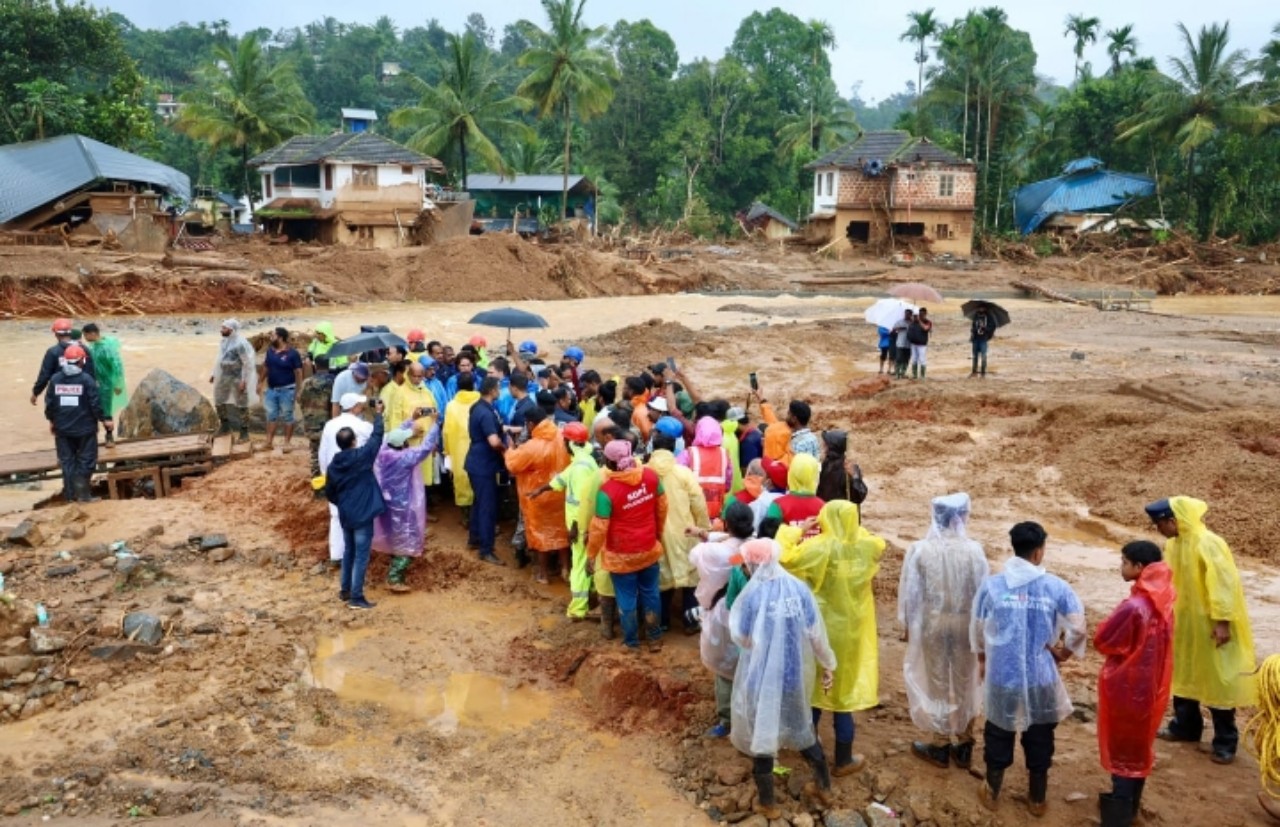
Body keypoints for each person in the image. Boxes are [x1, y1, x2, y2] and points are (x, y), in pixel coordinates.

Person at [971, 521, 1086, 817]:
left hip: (1002, 675)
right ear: (1038, 552)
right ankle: (1037, 798)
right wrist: (1064, 654)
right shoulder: (1056, 587)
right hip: (1041, 676)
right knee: (1039, 734)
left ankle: (993, 790)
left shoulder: (992, 586)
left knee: (999, 730)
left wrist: (983, 659)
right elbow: (1078, 628)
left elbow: (978, 627)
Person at [729, 538, 838, 817]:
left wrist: (762, 643)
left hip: (761, 679)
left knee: (763, 733)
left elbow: (741, 636)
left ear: (752, 564)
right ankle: (824, 787)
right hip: (793, 675)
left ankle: (768, 804)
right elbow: (816, 634)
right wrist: (828, 664)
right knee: (801, 727)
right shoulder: (798, 589)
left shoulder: (752, 596)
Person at [779, 500, 886, 778]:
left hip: (821, 627)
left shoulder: (818, 548)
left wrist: (796, 531)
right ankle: (843, 758)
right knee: (843, 694)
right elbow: (879, 543)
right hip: (852, 630)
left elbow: (784, 556)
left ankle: (809, 746)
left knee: (815, 688)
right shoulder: (867, 547)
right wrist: (855, 531)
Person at [1147, 496, 1256, 764]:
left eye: (1159, 524)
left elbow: (1224, 584)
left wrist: (1222, 621)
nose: (1158, 530)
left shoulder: (1209, 543)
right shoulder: (1174, 544)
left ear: (1172, 521)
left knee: (1219, 678)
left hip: (1210, 625)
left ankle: (1225, 742)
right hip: (1184, 624)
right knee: (1184, 672)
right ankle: (1185, 727)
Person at [898, 494, 989, 770]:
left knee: (937, 682)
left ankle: (939, 743)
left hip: (933, 623)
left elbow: (911, 594)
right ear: (962, 517)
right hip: (965, 624)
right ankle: (964, 743)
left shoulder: (920, 550)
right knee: (966, 682)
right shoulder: (974, 550)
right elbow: (984, 596)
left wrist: (907, 626)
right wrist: (983, 635)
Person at [1094, 540, 1175, 827]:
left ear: (1139, 567)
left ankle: (1118, 815)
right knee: (1139, 749)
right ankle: (1132, 809)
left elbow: (1104, 641)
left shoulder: (1134, 606)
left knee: (1123, 751)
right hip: (1152, 685)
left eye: (1124, 562)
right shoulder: (1165, 601)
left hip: (1125, 686)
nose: (1121, 567)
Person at [587, 440, 667, 652]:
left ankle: (631, 642)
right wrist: (657, 534)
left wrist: (591, 554)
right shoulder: (651, 477)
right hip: (649, 548)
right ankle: (654, 637)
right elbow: (662, 508)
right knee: (651, 593)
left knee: (627, 599)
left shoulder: (607, 491)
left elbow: (598, 528)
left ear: (608, 462)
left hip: (621, 555)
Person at [689, 501, 756, 737]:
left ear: (727, 524)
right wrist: (709, 534)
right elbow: (737, 555)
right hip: (754, 616)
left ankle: (727, 721)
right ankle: (750, 717)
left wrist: (708, 536)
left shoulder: (714, 552)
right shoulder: (758, 547)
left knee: (724, 668)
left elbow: (694, 555)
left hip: (724, 616)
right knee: (750, 667)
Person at [530, 422, 601, 621]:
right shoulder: (585, 460)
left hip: (581, 527)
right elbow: (562, 480)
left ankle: (578, 609)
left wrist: (576, 528)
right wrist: (541, 489)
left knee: (579, 565)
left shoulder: (579, 467)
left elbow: (580, 501)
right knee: (589, 562)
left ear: (569, 442)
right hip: (588, 525)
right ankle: (594, 600)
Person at [325, 404, 386, 610]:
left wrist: (343, 504)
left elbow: (330, 493)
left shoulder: (334, 465)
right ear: (353, 441)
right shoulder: (362, 457)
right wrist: (378, 414)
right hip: (362, 514)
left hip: (346, 514)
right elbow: (377, 437)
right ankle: (356, 597)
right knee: (361, 555)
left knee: (349, 551)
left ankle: (345, 590)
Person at [650, 431, 711, 634]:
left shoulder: (643, 472)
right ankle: (690, 622)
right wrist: (703, 529)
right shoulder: (683, 473)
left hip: (655, 535)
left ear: (652, 447)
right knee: (691, 579)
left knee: (661, 579)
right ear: (674, 448)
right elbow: (698, 503)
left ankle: (663, 622)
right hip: (685, 531)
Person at [372, 421, 441, 593]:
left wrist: (410, 421)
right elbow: (425, 448)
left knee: (393, 536)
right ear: (402, 444)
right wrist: (436, 425)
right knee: (408, 540)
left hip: (386, 503)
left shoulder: (382, 453)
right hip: (402, 506)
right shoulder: (404, 458)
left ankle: (395, 564)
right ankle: (394, 577)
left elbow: (393, 436)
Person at [506, 407, 571, 585]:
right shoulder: (563, 436)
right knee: (561, 531)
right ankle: (565, 568)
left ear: (531, 424)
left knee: (540, 535)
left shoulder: (531, 447)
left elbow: (513, 465)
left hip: (538, 496)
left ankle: (542, 574)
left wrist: (510, 448)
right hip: (561, 492)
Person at [44, 344, 112, 503]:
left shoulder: (55, 380)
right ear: (82, 361)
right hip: (85, 429)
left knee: (67, 462)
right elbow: (95, 405)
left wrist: (52, 421)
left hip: (62, 430)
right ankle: (83, 495)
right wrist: (104, 420)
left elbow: (49, 405)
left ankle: (70, 496)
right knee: (87, 461)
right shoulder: (86, 380)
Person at [320, 394, 375, 564]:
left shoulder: (330, 425)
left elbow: (322, 452)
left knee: (336, 516)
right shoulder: (362, 426)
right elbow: (378, 442)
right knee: (359, 516)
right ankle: (357, 555)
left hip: (334, 475)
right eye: (360, 405)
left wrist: (325, 475)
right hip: (355, 477)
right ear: (355, 407)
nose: (362, 407)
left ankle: (337, 555)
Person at [465, 376, 509, 566]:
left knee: (478, 502)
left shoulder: (478, 407)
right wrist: (506, 451)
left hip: (475, 461)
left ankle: (474, 538)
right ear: (492, 390)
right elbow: (493, 441)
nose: (499, 391)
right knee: (487, 507)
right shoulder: (486, 413)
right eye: (498, 388)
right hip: (484, 464)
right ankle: (486, 549)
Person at [387, 362, 440, 485]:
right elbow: (395, 418)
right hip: (409, 443)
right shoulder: (400, 393)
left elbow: (434, 414)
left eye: (419, 376)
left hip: (426, 441)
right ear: (408, 375)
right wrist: (402, 438)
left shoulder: (427, 392)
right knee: (411, 479)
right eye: (414, 376)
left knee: (425, 477)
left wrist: (434, 440)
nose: (416, 379)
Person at [209, 319, 257, 441]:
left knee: (242, 404)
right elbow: (219, 358)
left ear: (231, 330)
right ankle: (225, 426)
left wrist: (244, 380)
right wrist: (214, 373)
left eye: (224, 328)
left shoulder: (241, 344)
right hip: (225, 375)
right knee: (219, 399)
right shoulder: (224, 341)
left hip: (237, 376)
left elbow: (247, 363)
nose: (221, 330)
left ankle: (244, 432)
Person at [677, 417, 732, 521]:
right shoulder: (724, 454)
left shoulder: (689, 453)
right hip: (716, 509)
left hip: (692, 510)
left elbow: (677, 477)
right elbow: (728, 482)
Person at [30, 318, 95, 406]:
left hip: (60, 394)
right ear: (70, 332)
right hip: (81, 393)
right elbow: (91, 374)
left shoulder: (53, 352)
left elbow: (44, 375)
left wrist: (35, 393)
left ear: (56, 334)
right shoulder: (84, 349)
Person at [259, 327, 304, 452]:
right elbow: (266, 367)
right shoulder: (270, 351)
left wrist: (299, 390)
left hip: (287, 390)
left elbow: (299, 372)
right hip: (271, 389)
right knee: (270, 416)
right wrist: (260, 382)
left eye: (273, 335)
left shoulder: (293, 354)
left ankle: (287, 443)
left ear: (280, 337)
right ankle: (268, 442)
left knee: (288, 416)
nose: (270, 337)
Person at [444, 373, 481, 517]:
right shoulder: (480, 402)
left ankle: (466, 515)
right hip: (478, 447)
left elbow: (446, 431)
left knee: (461, 478)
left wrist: (447, 450)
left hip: (458, 449)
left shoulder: (451, 405)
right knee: (479, 481)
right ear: (474, 385)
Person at [765, 454, 825, 540]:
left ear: (791, 474)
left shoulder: (777, 505)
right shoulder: (823, 507)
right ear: (815, 476)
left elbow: (770, 537)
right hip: (815, 553)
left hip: (785, 552)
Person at [299, 355, 335, 479]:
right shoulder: (332, 382)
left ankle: (317, 482)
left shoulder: (306, 382)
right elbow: (335, 403)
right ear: (329, 365)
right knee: (330, 453)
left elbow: (300, 401)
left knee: (315, 453)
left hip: (311, 422)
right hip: (328, 423)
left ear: (315, 366)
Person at [81, 323, 126, 420]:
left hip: (107, 384)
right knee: (97, 408)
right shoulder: (93, 346)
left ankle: (109, 432)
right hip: (97, 382)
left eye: (85, 335)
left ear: (92, 334)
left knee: (106, 410)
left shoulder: (106, 348)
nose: (84, 338)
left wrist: (118, 384)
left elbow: (117, 366)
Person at [815, 430, 866, 506]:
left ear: (831, 447)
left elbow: (858, 496)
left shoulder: (848, 468)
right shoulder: (824, 465)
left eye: (825, 445)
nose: (823, 447)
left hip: (840, 512)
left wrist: (855, 477)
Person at [970, 303, 996, 378]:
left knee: (983, 356)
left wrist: (985, 328)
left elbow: (992, 327)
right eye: (979, 308)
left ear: (985, 309)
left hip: (983, 339)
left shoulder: (989, 317)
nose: (980, 309)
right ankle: (974, 371)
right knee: (975, 356)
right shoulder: (976, 316)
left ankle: (983, 372)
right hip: (975, 339)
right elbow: (973, 326)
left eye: (982, 308)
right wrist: (974, 330)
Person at [908, 307, 933, 380]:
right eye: (920, 314)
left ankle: (922, 376)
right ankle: (914, 375)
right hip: (914, 343)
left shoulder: (928, 322)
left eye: (922, 314)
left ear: (925, 314)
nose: (921, 315)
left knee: (922, 359)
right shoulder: (914, 321)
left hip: (922, 344)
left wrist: (919, 321)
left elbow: (925, 328)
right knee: (914, 359)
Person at [892, 310, 913, 380]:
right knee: (899, 359)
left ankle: (903, 373)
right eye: (906, 314)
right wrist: (900, 328)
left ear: (911, 315)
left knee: (906, 359)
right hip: (900, 343)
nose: (907, 315)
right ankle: (897, 373)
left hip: (909, 344)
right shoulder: (899, 322)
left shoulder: (912, 323)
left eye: (909, 314)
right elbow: (893, 330)